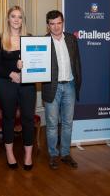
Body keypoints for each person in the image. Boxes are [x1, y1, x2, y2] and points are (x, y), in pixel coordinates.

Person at [0, 6, 36, 170]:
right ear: (8, 19)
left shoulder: (31, 38)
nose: (16, 19)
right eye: (13, 16)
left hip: (27, 85)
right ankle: (10, 154)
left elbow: (37, 61)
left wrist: (27, 68)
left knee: (28, 119)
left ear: (22, 20)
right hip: (6, 84)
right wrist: (11, 73)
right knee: (8, 118)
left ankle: (28, 155)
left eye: (19, 17)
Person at [42, 10, 82, 170]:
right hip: (52, 87)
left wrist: (79, 82)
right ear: (48, 25)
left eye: (59, 23)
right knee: (52, 124)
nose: (56, 27)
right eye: (52, 24)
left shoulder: (72, 39)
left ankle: (65, 154)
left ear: (63, 22)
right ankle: (53, 155)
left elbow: (77, 63)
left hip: (70, 85)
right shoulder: (43, 41)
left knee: (68, 122)